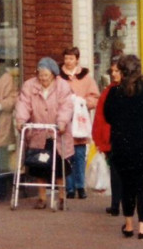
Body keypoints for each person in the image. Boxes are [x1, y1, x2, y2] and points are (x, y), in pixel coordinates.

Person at [104, 55, 143, 241]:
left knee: (127, 186)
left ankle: (129, 225)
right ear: (138, 70)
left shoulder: (114, 93)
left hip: (122, 147)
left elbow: (108, 116)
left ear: (122, 71)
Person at [15, 57, 74, 209]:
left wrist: (62, 122)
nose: (42, 78)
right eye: (40, 75)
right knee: (38, 165)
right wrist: (21, 119)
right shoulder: (29, 85)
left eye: (46, 75)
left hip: (57, 131)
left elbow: (66, 106)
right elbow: (23, 103)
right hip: (38, 131)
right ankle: (42, 198)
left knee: (59, 167)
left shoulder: (62, 86)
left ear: (54, 74)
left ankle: (61, 197)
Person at [58, 46, 100, 199]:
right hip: (65, 122)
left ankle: (80, 186)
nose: (68, 61)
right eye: (66, 58)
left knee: (80, 155)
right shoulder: (59, 77)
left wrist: (83, 102)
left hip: (80, 123)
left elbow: (95, 97)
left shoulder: (86, 77)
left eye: (71, 58)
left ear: (77, 59)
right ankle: (69, 188)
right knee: (66, 156)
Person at [93, 59, 123, 216]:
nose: (114, 74)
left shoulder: (115, 91)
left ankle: (120, 203)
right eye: (112, 71)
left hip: (120, 138)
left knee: (120, 172)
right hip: (113, 138)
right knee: (116, 172)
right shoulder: (108, 91)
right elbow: (100, 116)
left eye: (117, 71)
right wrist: (100, 139)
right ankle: (116, 203)